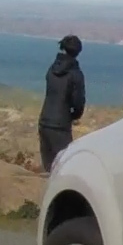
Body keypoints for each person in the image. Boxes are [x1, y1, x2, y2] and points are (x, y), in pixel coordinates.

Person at [40, 35, 86, 172]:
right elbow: (78, 102)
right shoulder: (75, 74)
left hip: (44, 121)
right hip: (60, 125)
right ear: (78, 52)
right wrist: (73, 115)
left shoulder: (52, 69)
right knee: (64, 167)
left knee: (48, 169)